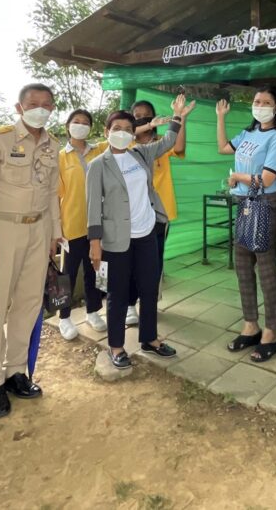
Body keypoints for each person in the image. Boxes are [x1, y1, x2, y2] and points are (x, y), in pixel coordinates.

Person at [0, 83, 63, 418]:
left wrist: (55, 234)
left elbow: (52, 193)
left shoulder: (53, 144)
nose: (40, 109)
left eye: (47, 104)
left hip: (39, 229)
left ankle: (15, 372)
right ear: (19, 107)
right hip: (3, 228)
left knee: (28, 304)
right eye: (33, 103)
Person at [87, 94, 195, 369]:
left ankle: (150, 339)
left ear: (133, 132)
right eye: (117, 128)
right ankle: (116, 346)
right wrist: (95, 242)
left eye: (127, 129)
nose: (122, 133)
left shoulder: (140, 153)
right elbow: (93, 207)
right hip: (116, 239)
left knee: (148, 288)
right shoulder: (98, 165)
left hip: (146, 232)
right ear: (106, 132)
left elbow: (169, 141)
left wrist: (178, 116)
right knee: (117, 292)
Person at [215, 86, 276, 363]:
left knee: (266, 267)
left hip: (266, 203)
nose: (260, 106)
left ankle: (271, 331)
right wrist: (220, 117)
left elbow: (267, 179)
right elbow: (224, 148)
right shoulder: (249, 133)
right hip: (245, 203)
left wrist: (237, 176)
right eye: (257, 101)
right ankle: (250, 325)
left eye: (266, 102)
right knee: (243, 265)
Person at [126, 98, 185, 325]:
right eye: (138, 116)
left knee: (155, 262)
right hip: (134, 213)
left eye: (147, 115)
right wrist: (147, 126)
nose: (143, 118)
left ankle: (149, 303)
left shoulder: (162, 142)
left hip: (161, 213)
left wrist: (181, 117)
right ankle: (130, 305)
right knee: (132, 261)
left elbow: (178, 147)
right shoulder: (126, 144)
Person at [56, 109, 108, 341]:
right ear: (67, 126)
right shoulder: (60, 157)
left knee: (96, 270)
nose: (81, 125)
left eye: (85, 122)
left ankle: (93, 311)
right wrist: (56, 228)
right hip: (71, 226)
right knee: (67, 274)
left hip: (98, 225)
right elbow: (55, 195)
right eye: (76, 121)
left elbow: (124, 136)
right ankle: (64, 317)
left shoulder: (99, 150)